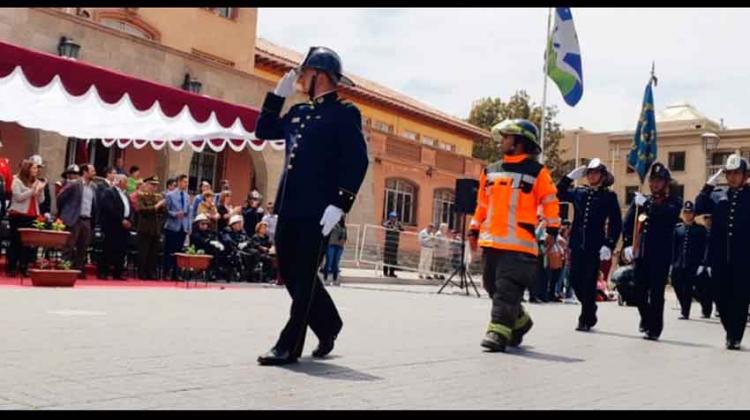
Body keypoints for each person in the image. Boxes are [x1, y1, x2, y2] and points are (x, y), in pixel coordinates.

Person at [254, 46, 368, 366]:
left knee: (304, 276)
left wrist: (340, 203)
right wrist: (277, 97)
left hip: (318, 212)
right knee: (290, 274)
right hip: (289, 208)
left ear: (318, 74)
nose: (300, 79)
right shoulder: (299, 112)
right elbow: (263, 131)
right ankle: (329, 323)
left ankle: (288, 346)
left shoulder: (345, 112)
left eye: (303, 73)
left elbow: (357, 160)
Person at [468, 118, 560, 353]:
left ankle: (497, 333)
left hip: (520, 246)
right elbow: (482, 205)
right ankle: (520, 321)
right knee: (491, 286)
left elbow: (550, 202)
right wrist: (474, 227)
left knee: (506, 289)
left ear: (520, 142)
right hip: (492, 242)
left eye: (507, 137)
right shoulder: (490, 170)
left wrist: (552, 229)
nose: (503, 141)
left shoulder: (538, 172)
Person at [556, 158, 622, 331]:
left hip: (595, 246)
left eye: (596, 173)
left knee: (589, 281)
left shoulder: (609, 196)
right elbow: (558, 192)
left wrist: (609, 244)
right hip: (577, 243)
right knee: (575, 280)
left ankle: (585, 319)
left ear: (602, 175)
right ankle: (590, 307)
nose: (592, 176)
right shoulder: (579, 192)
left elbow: (616, 223)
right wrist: (568, 178)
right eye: (590, 173)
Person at [695, 154, 750, 350]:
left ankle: (734, 336)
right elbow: (698, 207)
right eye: (729, 173)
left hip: (744, 259)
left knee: (740, 298)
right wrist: (708, 187)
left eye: (737, 173)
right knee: (721, 296)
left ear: (745, 175)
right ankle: (730, 330)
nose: (733, 177)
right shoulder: (718, 195)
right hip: (719, 257)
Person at [622, 162, 682, 341]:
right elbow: (628, 223)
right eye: (653, 180)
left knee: (656, 293)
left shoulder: (673, 202)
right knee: (638, 291)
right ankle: (646, 318)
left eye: (659, 181)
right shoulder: (642, 200)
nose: (655, 184)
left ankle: (655, 328)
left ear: (666, 183)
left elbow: (667, 215)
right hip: (641, 253)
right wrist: (627, 244)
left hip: (660, 255)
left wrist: (647, 204)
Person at [7, 160, 46, 277]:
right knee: (16, 242)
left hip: (32, 214)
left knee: (28, 244)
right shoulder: (17, 180)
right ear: (27, 169)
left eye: (37, 169)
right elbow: (18, 197)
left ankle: (24, 267)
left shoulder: (37, 182)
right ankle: (12, 267)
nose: (36, 170)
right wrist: (32, 190)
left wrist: (40, 190)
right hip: (18, 214)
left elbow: (41, 201)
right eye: (34, 168)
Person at [57, 163, 96, 278]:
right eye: (92, 170)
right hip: (74, 219)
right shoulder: (75, 184)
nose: (94, 173)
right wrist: (66, 213)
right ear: (85, 172)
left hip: (87, 219)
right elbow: (60, 197)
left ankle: (79, 270)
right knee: (69, 246)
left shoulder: (93, 187)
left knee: (83, 247)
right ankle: (64, 269)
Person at [670, 201, 707, 320]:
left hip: (693, 263)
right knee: (676, 283)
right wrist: (671, 263)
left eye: (690, 212)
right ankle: (684, 305)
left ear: (694, 214)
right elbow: (673, 247)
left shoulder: (700, 229)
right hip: (679, 262)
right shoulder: (678, 229)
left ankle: (685, 312)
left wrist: (703, 263)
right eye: (685, 212)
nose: (687, 214)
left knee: (688, 287)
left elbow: (705, 247)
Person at [98, 174, 133, 280]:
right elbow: (109, 208)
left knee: (121, 250)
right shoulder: (109, 192)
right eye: (125, 182)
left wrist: (129, 220)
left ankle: (118, 273)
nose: (127, 184)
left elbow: (129, 208)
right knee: (108, 248)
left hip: (124, 226)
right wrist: (121, 219)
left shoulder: (126, 194)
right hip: (113, 225)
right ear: (120, 182)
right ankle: (103, 272)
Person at [135, 176, 166, 280]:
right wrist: (156, 206)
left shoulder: (157, 197)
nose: (154, 187)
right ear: (146, 185)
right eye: (152, 185)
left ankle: (151, 272)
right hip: (145, 227)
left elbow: (163, 213)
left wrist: (162, 207)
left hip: (155, 228)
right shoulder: (141, 196)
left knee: (153, 253)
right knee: (144, 252)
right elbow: (141, 210)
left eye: (156, 185)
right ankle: (142, 273)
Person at [163, 174, 191, 280]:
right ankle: (166, 272)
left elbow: (189, 213)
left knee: (179, 252)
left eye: (187, 182)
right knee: (169, 251)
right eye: (184, 182)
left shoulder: (187, 196)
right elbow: (166, 210)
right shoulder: (170, 195)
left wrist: (188, 227)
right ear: (179, 182)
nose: (186, 184)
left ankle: (176, 273)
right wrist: (175, 214)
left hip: (182, 227)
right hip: (172, 226)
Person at [189, 213, 224, 281]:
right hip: (197, 250)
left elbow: (213, 236)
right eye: (202, 224)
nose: (205, 226)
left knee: (216, 250)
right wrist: (210, 242)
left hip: (208, 250)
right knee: (212, 250)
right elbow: (200, 240)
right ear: (197, 224)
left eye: (206, 224)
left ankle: (214, 271)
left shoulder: (208, 231)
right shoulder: (194, 232)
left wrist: (218, 242)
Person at [219, 214, 253, 280]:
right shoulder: (227, 231)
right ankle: (241, 274)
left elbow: (249, 239)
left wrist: (245, 243)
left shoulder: (242, 231)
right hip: (230, 250)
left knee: (254, 253)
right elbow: (228, 240)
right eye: (238, 223)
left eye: (241, 223)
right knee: (239, 255)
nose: (240, 225)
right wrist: (237, 244)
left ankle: (250, 273)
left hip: (242, 249)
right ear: (233, 224)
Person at [695, 214, 714, 318]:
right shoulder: (700, 232)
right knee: (698, 288)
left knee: (712, 288)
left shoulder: (717, 232)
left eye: (710, 219)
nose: (708, 221)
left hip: (712, 264)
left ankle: (708, 310)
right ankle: (705, 306)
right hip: (701, 264)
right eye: (706, 219)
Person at [322, 217, 347, 285]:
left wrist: (343, 240)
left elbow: (345, 237)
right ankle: (325, 278)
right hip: (331, 245)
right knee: (329, 262)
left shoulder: (344, 227)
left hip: (339, 247)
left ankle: (335, 279)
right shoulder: (331, 225)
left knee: (336, 263)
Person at [382, 212, 404, 278]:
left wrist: (398, 228)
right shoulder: (388, 223)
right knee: (386, 259)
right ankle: (385, 272)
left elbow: (403, 229)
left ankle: (392, 272)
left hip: (395, 244)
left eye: (395, 217)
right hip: (388, 243)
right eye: (393, 217)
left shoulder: (398, 224)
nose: (394, 219)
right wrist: (391, 227)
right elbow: (384, 225)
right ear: (390, 217)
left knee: (393, 259)